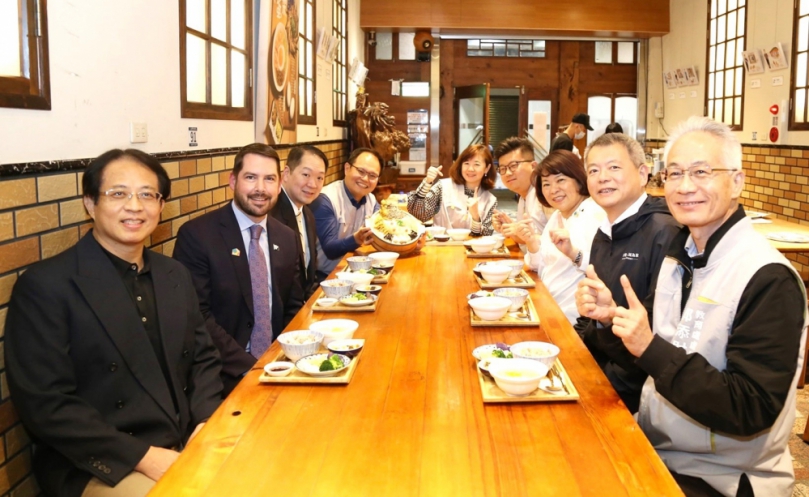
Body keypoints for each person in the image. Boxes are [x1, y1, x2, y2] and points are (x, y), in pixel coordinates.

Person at [576, 116, 807, 496]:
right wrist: (608, 318)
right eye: (676, 173)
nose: (685, 187)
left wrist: (649, 347)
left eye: (702, 172)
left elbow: (751, 408)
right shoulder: (679, 257)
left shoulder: (767, 277)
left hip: (722, 476)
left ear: (737, 181)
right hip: (660, 445)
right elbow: (644, 349)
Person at [4, 149, 223, 497]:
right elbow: (46, 404)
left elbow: (204, 360)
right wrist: (145, 457)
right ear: (90, 203)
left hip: (185, 438)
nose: (135, 206)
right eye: (118, 193)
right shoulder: (47, 286)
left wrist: (206, 422)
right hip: (100, 460)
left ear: (161, 205)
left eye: (147, 194)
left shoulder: (173, 274)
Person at [173, 143, 304, 394]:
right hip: (221, 373)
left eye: (269, 179)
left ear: (279, 185)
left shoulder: (286, 237)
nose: (260, 189)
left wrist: (284, 357)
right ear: (233, 181)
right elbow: (196, 316)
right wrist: (251, 367)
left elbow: (293, 306)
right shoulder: (198, 236)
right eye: (251, 178)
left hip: (279, 365)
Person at [575, 132, 680, 412]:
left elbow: (660, 332)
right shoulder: (605, 230)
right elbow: (597, 317)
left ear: (643, 174)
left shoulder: (664, 232)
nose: (603, 177)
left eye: (614, 167)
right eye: (594, 170)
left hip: (641, 386)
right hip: (603, 363)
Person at [518, 150, 606, 324]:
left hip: (571, 320)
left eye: (561, 180)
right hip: (545, 307)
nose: (554, 190)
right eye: (546, 184)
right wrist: (532, 243)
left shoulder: (595, 214)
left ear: (578, 179)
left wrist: (574, 253)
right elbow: (537, 265)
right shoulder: (558, 216)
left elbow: (604, 267)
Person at [311, 147, 382, 280]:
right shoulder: (326, 200)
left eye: (372, 176)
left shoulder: (371, 200)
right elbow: (330, 249)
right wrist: (356, 239)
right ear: (347, 168)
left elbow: (381, 232)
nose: (366, 179)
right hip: (326, 278)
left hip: (356, 274)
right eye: (361, 171)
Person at [270, 145, 327, 299]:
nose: (313, 184)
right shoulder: (270, 215)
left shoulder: (307, 214)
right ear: (286, 174)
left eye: (319, 178)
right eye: (306, 174)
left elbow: (308, 276)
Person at [407, 144, 498, 236]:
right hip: (441, 248)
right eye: (466, 163)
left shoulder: (490, 200)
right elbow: (419, 214)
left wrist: (476, 217)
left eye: (476, 164)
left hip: (471, 249)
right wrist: (427, 182)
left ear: (487, 168)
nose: (470, 169)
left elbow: (486, 238)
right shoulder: (443, 187)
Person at [491, 137, 551, 251]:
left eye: (513, 166)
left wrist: (517, 231)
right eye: (503, 168)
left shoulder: (546, 193)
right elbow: (527, 238)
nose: (508, 173)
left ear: (533, 166)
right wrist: (510, 227)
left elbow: (561, 242)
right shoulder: (523, 195)